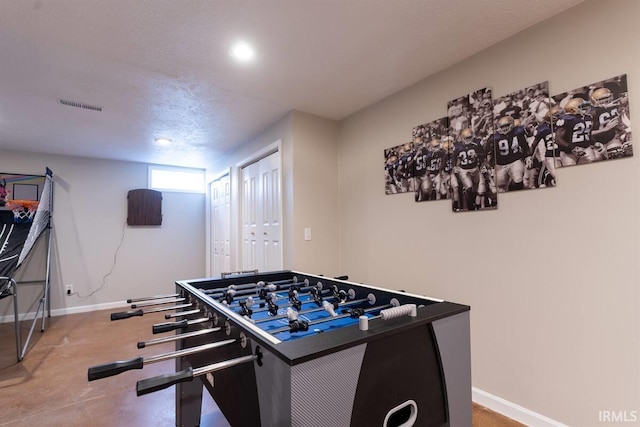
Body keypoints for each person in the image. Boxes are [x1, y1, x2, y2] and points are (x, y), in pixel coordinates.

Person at [487, 116, 530, 191]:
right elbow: (490, 152)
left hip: (515, 160)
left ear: (511, 124)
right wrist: (491, 164)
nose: (504, 128)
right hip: (500, 164)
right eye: (502, 126)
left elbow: (524, 145)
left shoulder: (518, 131)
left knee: (518, 179)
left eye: (506, 126)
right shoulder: (495, 137)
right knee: (501, 187)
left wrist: (527, 156)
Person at [554, 97, 595, 166]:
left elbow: (588, 134)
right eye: (582, 107)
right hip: (568, 152)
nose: (585, 109)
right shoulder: (566, 119)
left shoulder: (588, 118)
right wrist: (572, 147)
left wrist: (594, 142)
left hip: (585, 149)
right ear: (573, 109)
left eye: (585, 106)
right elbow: (558, 139)